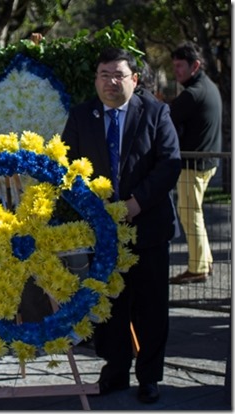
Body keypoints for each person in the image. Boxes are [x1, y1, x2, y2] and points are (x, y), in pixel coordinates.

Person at [61, 47, 181, 404]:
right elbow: (66, 169)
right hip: (102, 232)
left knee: (151, 307)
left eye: (118, 75)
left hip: (148, 229)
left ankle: (150, 378)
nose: (110, 82)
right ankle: (114, 372)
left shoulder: (157, 112)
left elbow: (169, 165)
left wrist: (135, 203)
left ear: (135, 79)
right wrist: (91, 208)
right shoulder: (82, 115)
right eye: (103, 75)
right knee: (109, 306)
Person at [168, 41, 222, 285]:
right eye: (174, 66)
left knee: (190, 216)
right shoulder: (207, 86)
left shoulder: (193, 93)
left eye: (180, 66)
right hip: (205, 161)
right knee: (193, 213)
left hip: (194, 165)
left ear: (195, 65)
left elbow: (165, 116)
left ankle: (198, 266)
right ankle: (204, 260)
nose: (176, 71)